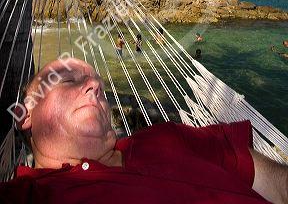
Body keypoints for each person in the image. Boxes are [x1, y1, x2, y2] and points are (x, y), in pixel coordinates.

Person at [0, 57, 287, 204]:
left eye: (97, 82)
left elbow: (272, 180)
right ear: (24, 114)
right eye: (65, 79)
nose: (96, 86)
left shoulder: (167, 136)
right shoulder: (28, 196)